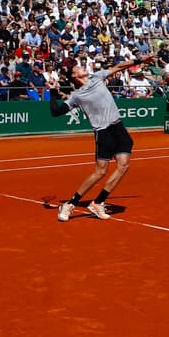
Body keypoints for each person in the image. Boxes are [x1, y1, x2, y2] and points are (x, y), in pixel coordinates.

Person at [47, 55, 156, 222]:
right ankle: (70, 204)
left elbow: (119, 67)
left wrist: (141, 60)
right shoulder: (77, 96)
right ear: (75, 76)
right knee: (100, 171)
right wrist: (53, 91)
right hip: (103, 132)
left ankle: (98, 202)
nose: (83, 67)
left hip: (118, 128)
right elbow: (56, 112)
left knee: (123, 165)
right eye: (78, 68)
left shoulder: (97, 77)